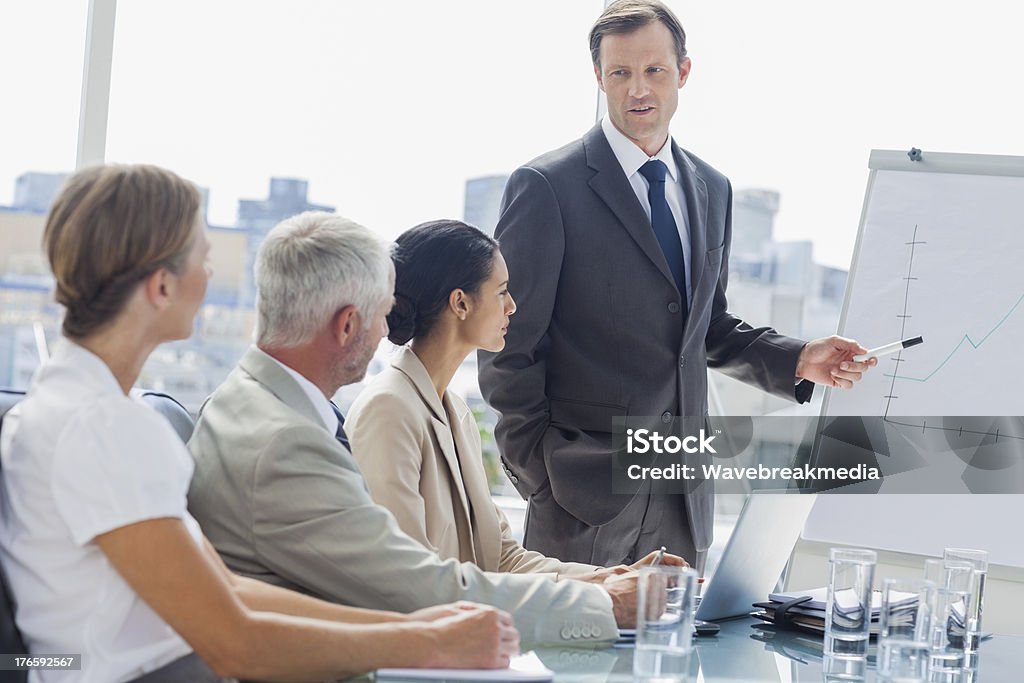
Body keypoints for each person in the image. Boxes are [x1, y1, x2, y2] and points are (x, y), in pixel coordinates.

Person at [0, 166, 518, 683]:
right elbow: (234, 643)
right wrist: (424, 642)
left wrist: (418, 629)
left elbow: (224, 589)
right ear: (161, 285)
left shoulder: (78, 403)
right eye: (203, 259)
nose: (211, 276)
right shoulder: (105, 429)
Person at [477, 0, 876, 573]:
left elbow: (703, 327)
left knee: (673, 658)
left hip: (682, 494)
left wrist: (799, 358)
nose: (638, 88)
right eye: (620, 72)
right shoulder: (547, 187)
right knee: (572, 658)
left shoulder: (711, 188)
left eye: (654, 70)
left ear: (683, 72)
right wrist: (543, 476)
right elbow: (506, 345)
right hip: (584, 496)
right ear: (599, 77)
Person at [186, 211, 640, 647]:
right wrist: (601, 604)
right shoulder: (293, 440)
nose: (390, 328)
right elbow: (413, 588)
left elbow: (489, 557)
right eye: (383, 312)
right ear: (347, 325)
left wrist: (605, 581)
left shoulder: (254, 406)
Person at [346, 220, 685, 578]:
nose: (512, 306)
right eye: (502, 292)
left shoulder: (456, 413)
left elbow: (503, 558)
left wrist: (614, 578)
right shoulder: (387, 411)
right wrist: (601, 597)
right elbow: (409, 578)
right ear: (460, 303)